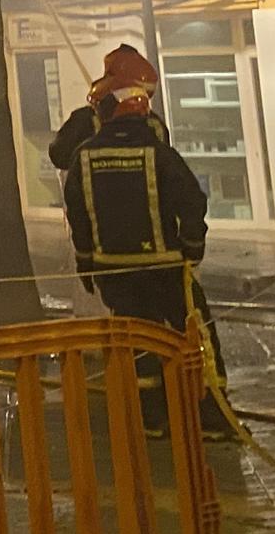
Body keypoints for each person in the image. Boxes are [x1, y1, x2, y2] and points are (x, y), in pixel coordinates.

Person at [63, 44, 232, 437]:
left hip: (112, 271)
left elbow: (79, 216)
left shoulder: (84, 157)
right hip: (165, 267)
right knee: (196, 331)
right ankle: (212, 416)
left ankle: (151, 418)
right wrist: (192, 247)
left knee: (137, 341)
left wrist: (85, 260)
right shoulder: (159, 153)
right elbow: (192, 200)